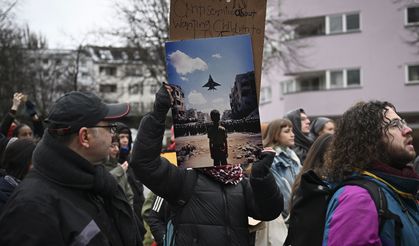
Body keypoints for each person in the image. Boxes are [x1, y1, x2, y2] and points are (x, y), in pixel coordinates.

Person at [130, 84, 284, 245]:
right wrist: (158, 113)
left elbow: (269, 212)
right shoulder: (184, 179)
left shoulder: (240, 181)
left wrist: (262, 176)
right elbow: (144, 164)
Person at [0, 91, 142, 246]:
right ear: (85, 137)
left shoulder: (94, 183)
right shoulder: (31, 210)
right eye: (110, 128)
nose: (112, 136)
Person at [322, 101, 418, 245]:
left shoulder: (398, 189)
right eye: (394, 125)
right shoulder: (357, 199)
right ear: (369, 140)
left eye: (403, 123)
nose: (407, 129)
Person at [255, 118, 301, 245]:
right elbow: (281, 190)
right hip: (281, 216)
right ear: (275, 134)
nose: (292, 134)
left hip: (294, 215)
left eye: (292, 130)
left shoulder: (292, 155)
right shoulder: (270, 159)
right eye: (287, 131)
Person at [0, 138, 36, 211]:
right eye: (33, 162)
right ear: (21, 162)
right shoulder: (5, 197)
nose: (38, 168)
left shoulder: (30, 190)